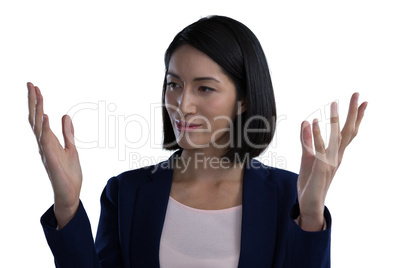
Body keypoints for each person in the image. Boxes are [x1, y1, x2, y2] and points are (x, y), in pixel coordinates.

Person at [27, 15, 367, 267]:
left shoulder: (288, 196)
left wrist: (309, 217)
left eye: (204, 88)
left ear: (244, 99)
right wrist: (67, 205)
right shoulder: (126, 192)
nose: (182, 104)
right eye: (174, 84)